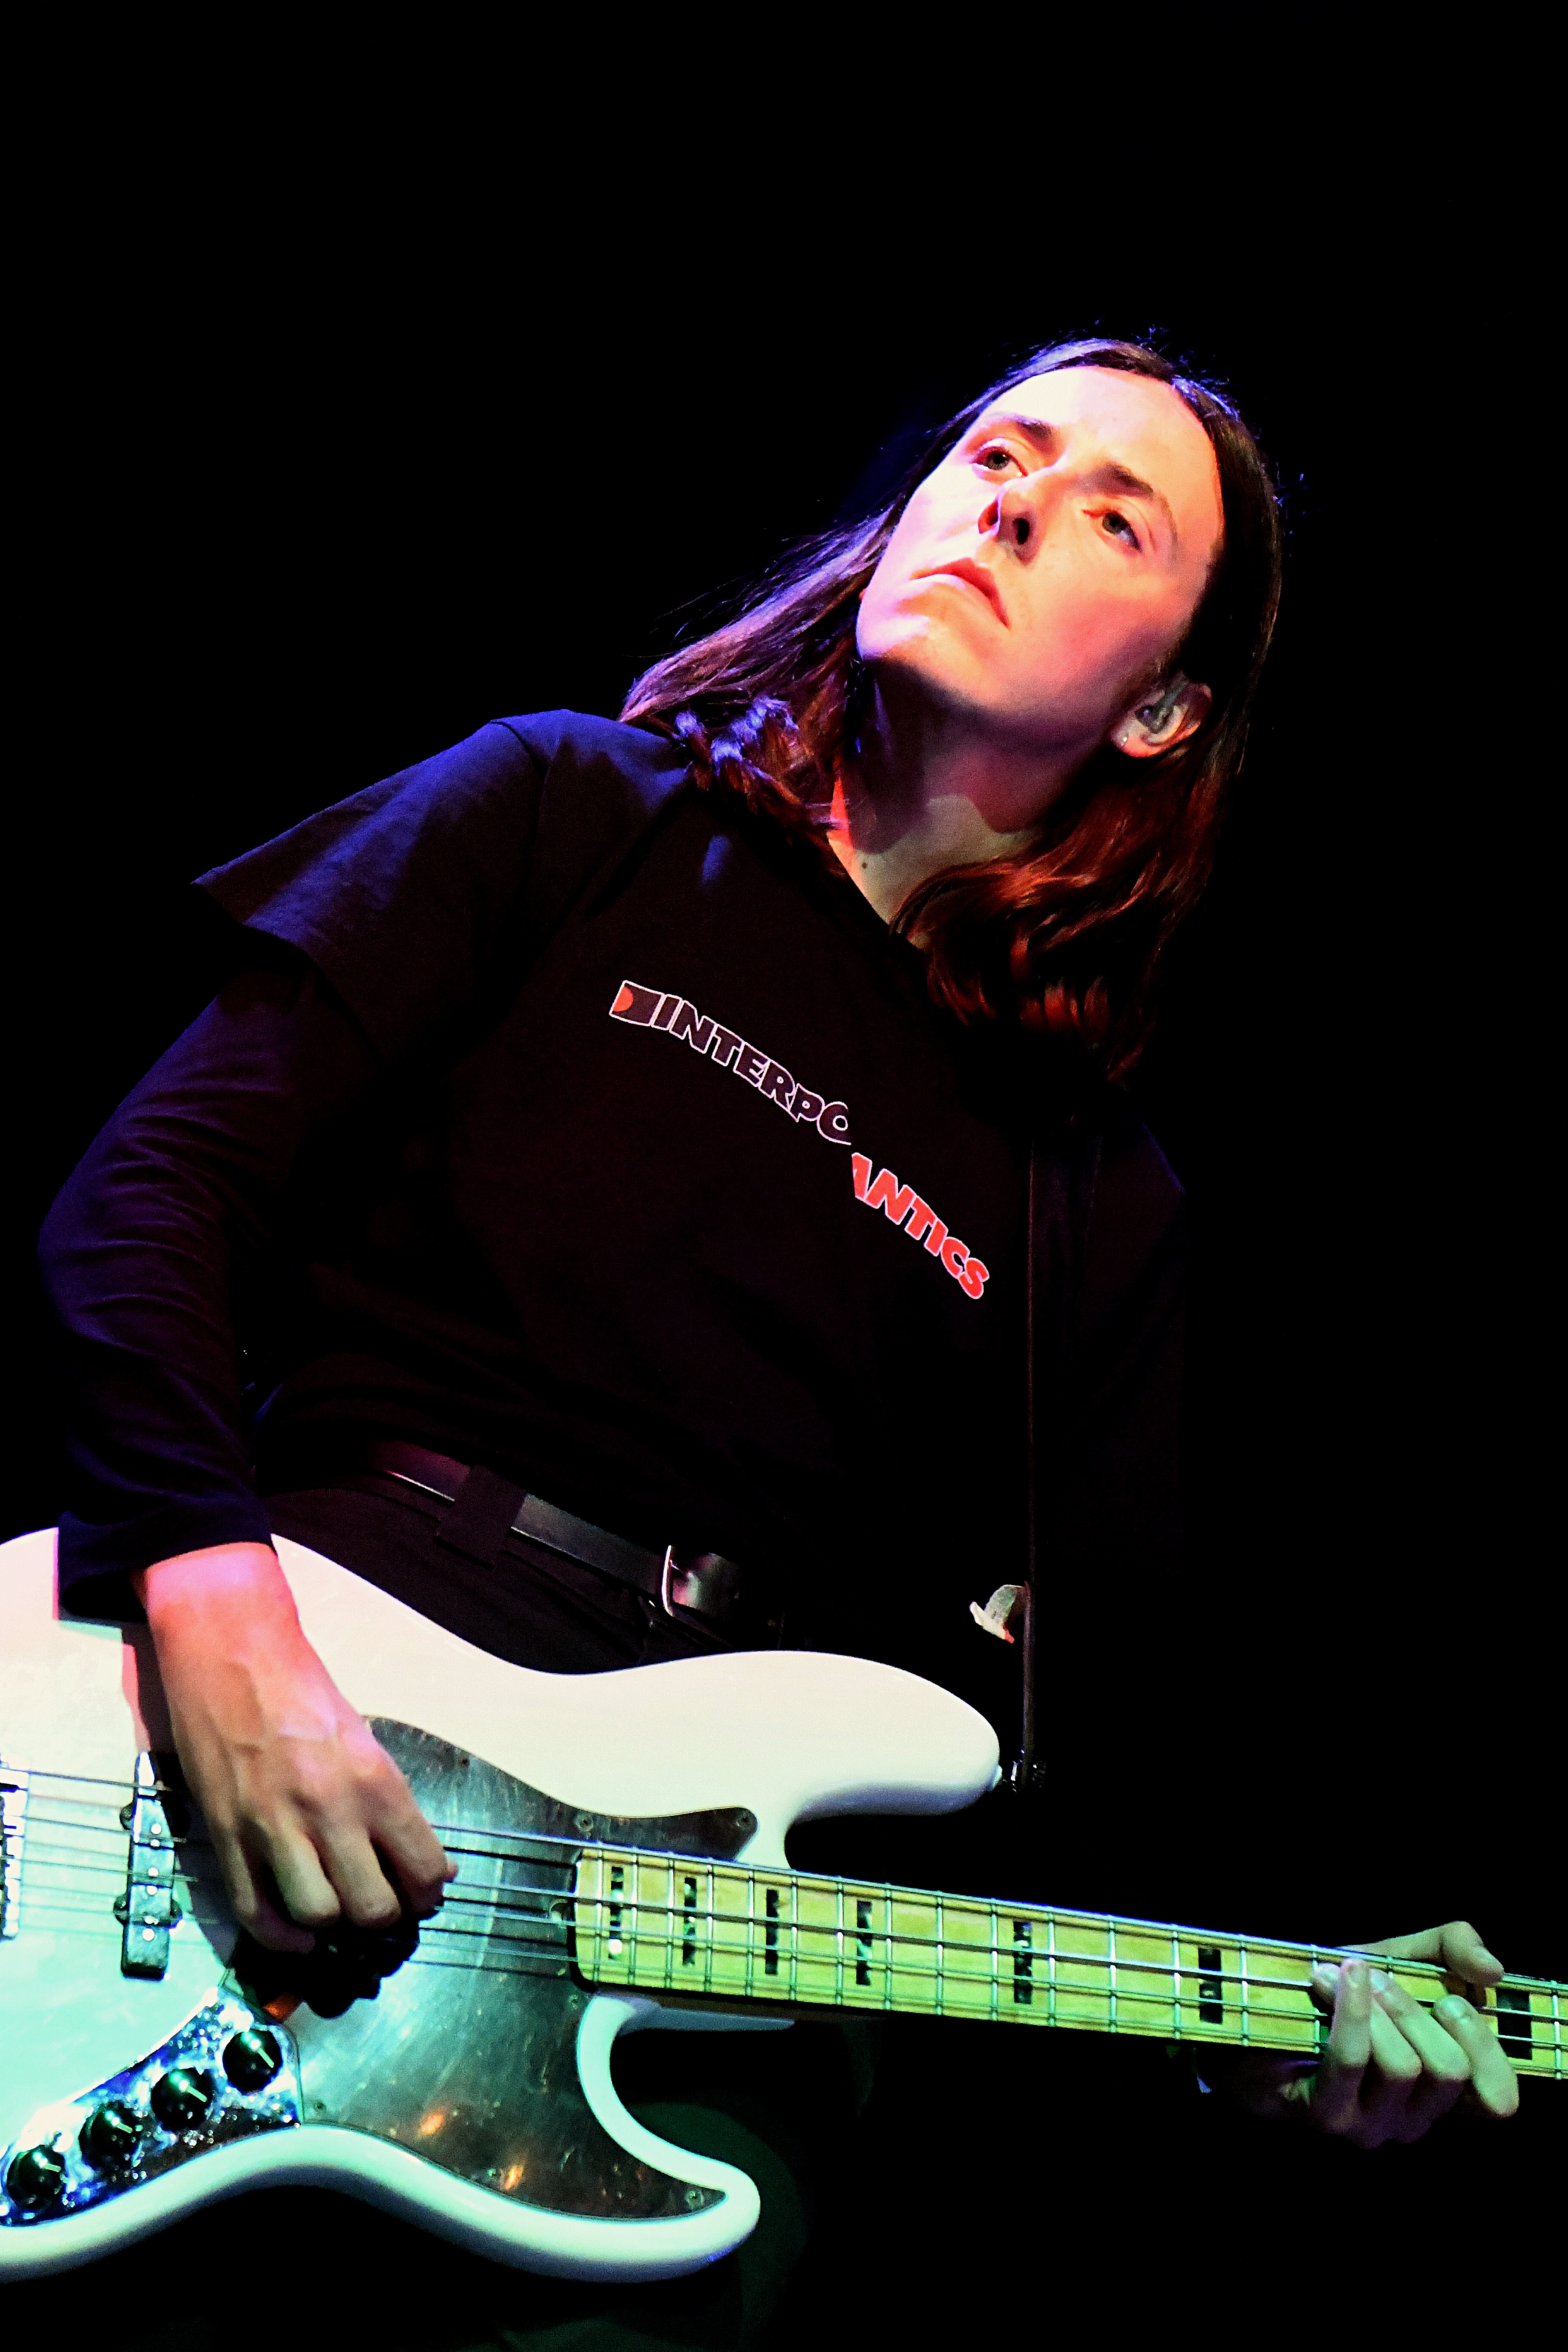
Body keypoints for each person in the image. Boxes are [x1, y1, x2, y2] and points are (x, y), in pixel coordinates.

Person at [36, 337, 1518, 2329]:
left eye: (1111, 516)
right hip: (289, 1702)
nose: (1013, 502)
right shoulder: (574, 807)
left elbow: (1063, 1780)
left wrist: (1252, 2021)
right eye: (997, 453)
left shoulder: (1092, 1202)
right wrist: (215, 1616)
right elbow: (147, 1196)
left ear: (1161, 706)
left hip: (685, 2002)